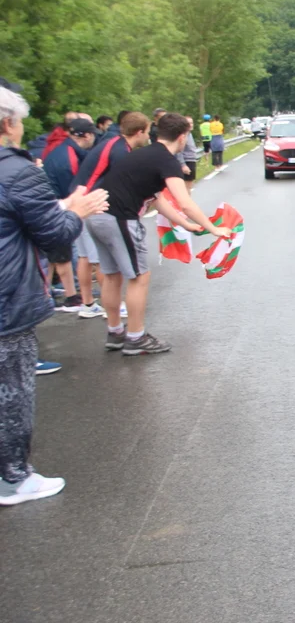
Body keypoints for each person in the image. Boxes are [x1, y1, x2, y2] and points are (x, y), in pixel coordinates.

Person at [1, 85, 110, 505]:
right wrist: (76, 212)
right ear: (8, 123)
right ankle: (13, 478)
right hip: (7, 299)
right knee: (12, 392)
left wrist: (59, 206)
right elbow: (54, 237)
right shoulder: (17, 169)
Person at [85, 113, 231, 356]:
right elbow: (185, 202)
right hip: (119, 219)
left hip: (96, 215)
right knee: (139, 277)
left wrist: (186, 224)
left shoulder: (143, 154)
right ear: (182, 137)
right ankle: (136, 337)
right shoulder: (167, 161)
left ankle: (115, 332)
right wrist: (214, 228)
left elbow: (156, 199)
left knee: (111, 276)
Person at [43, 118, 104, 317]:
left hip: (54, 207)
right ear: (86, 136)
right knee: (90, 256)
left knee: (80, 257)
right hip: (62, 208)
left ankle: (83, 300)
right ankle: (103, 301)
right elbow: (75, 190)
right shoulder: (68, 157)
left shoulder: (62, 150)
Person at [178, 116, 200, 191]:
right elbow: (179, 151)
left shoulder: (189, 134)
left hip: (191, 160)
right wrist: (183, 165)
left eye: (192, 123)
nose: (191, 125)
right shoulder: (183, 136)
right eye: (188, 123)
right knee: (186, 187)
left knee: (189, 186)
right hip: (187, 161)